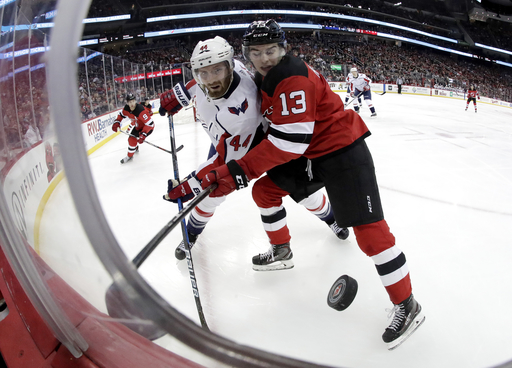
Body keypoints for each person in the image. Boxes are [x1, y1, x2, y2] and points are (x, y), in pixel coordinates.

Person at [170, 19, 424, 349]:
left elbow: (288, 145)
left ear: (283, 49)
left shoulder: (290, 79)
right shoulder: (256, 73)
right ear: (245, 56)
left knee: (370, 233)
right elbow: (215, 70)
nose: (264, 58)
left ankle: (407, 304)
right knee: (265, 192)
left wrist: (236, 170)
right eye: (257, 52)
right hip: (311, 151)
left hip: (340, 150)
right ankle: (282, 249)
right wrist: (178, 92)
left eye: (271, 50)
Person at [160, 36, 349, 265]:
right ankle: (190, 234)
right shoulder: (230, 68)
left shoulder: (240, 113)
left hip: (254, 145)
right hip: (226, 141)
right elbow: (201, 79)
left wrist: (191, 183)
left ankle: (332, 219)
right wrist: (180, 92)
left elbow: (228, 161)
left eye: (217, 71)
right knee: (209, 197)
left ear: (229, 67)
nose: (210, 80)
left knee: (300, 190)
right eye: (203, 73)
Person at [112, 93, 155, 164]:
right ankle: (130, 156)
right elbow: (121, 115)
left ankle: (135, 146)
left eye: (133, 101)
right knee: (131, 139)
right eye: (129, 102)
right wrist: (117, 122)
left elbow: (150, 124)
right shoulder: (126, 109)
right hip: (138, 127)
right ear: (127, 103)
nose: (132, 104)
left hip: (147, 128)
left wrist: (143, 134)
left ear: (135, 101)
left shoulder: (141, 110)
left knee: (134, 138)